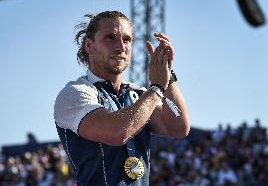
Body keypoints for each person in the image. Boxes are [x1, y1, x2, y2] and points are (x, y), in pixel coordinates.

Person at [54, 10, 190, 186]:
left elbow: (178, 128)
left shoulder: (139, 94)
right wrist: (156, 88)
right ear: (89, 45)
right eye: (110, 38)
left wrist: (168, 75)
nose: (121, 46)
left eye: (127, 39)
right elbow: (117, 133)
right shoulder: (75, 92)